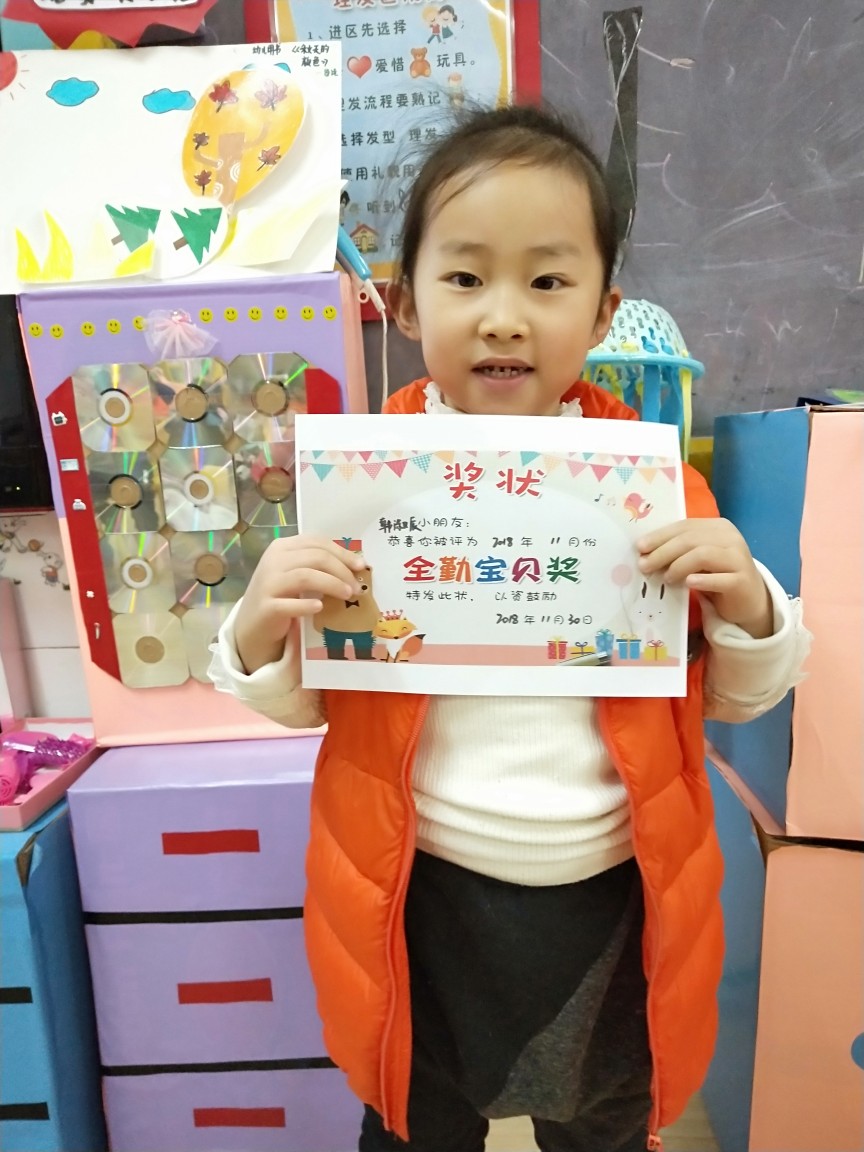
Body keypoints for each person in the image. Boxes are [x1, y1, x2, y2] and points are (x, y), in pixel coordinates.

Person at [210, 104, 810, 1152]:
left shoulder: (656, 490)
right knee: (415, 1117)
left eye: (547, 281)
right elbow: (307, 700)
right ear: (404, 303)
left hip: (614, 894)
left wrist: (751, 604)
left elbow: (738, 694)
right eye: (464, 277)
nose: (503, 318)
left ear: (603, 312)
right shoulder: (363, 486)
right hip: (417, 892)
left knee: (603, 1123)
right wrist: (262, 623)